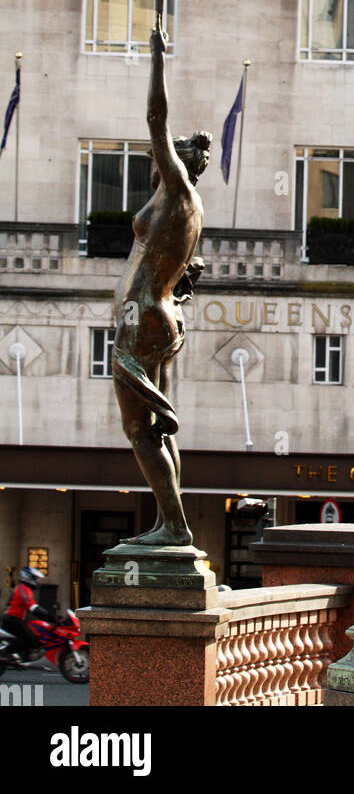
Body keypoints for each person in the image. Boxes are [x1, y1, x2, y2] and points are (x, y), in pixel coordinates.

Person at [112, 27, 211, 547]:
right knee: (153, 426)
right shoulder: (191, 209)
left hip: (145, 316)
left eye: (165, 155)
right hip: (162, 314)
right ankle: (170, 524)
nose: (157, 159)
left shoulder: (177, 191)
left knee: (137, 428)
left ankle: (173, 526)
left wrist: (156, 56)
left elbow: (156, 118)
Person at [1, 566, 53, 657]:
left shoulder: (24, 588)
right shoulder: (23, 589)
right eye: (34, 578)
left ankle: (24, 656)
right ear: (28, 577)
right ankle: (5, 652)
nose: (36, 581)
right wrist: (50, 616)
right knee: (31, 639)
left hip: (16, 619)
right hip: (12, 619)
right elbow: (33, 607)